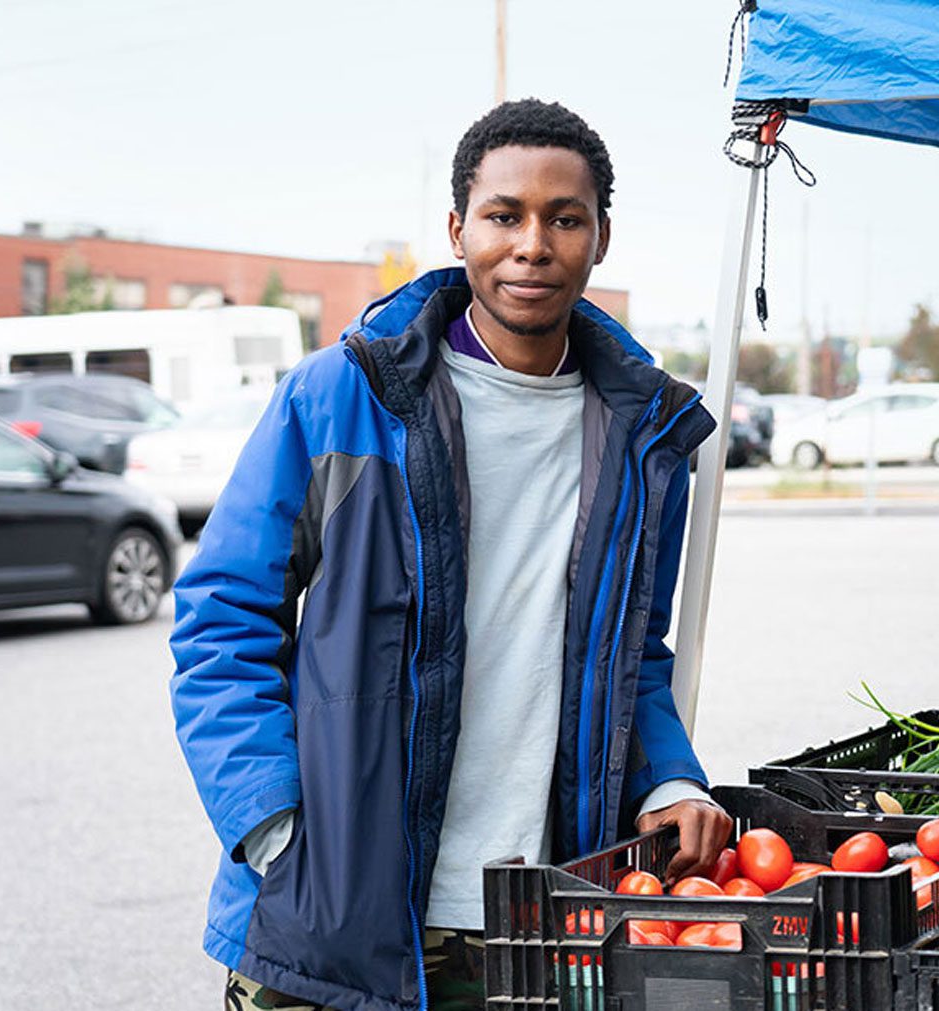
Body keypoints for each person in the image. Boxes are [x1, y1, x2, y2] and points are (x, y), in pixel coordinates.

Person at [170, 98, 732, 1011]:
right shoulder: (344, 395)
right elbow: (221, 622)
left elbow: (635, 652)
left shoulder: (644, 436)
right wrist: (276, 829)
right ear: (457, 228)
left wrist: (669, 775)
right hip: (338, 914)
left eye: (565, 218)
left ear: (602, 237)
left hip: (537, 916)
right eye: (504, 214)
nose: (533, 244)